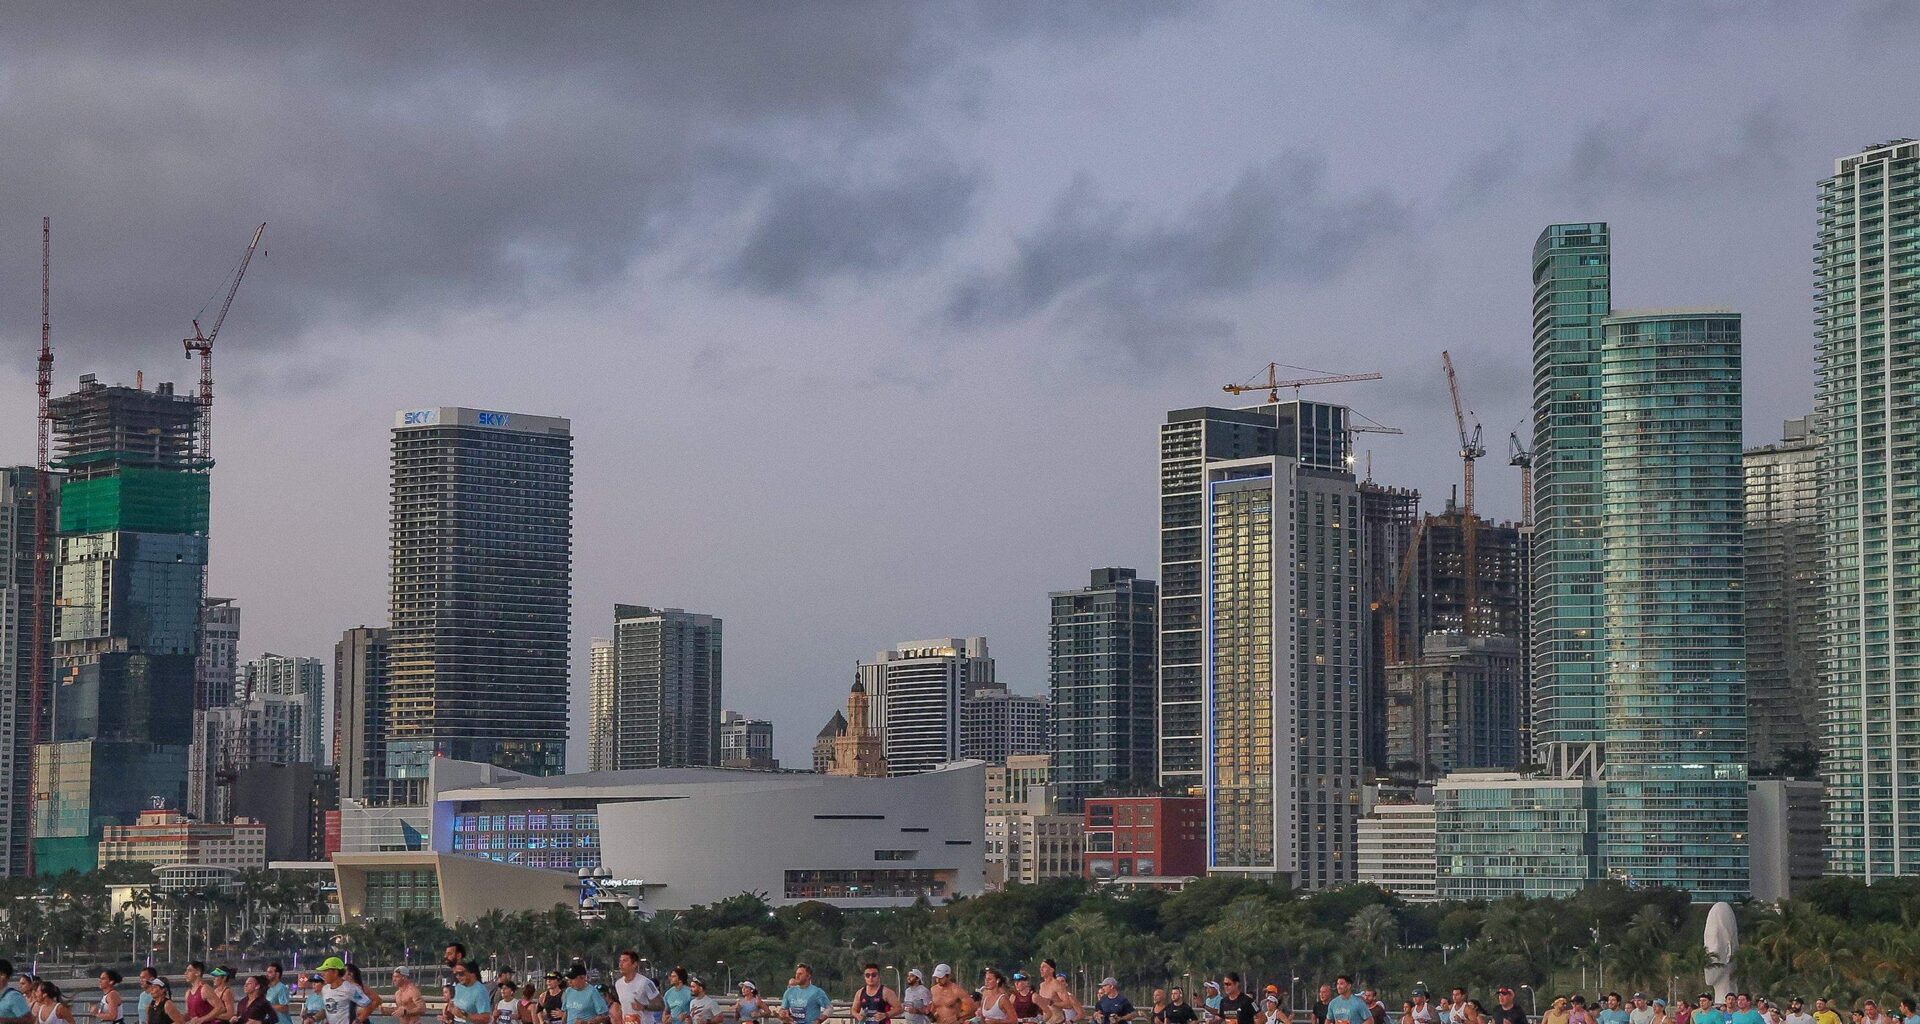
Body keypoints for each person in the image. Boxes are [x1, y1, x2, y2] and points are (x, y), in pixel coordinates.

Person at [318, 959, 373, 1024]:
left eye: (325, 971)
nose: (322, 974)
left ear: (335, 972)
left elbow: (368, 1005)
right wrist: (313, 1018)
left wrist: (358, 1020)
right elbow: (327, 1010)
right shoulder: (325, 989)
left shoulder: (349, 989)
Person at [614, 953, 663, 1024]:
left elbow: (661, 1005)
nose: (620, 964)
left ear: (634, 964)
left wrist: (643, 1007)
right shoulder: (618, 984)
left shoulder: (646, 983)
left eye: (624, 961)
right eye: (620, 961)